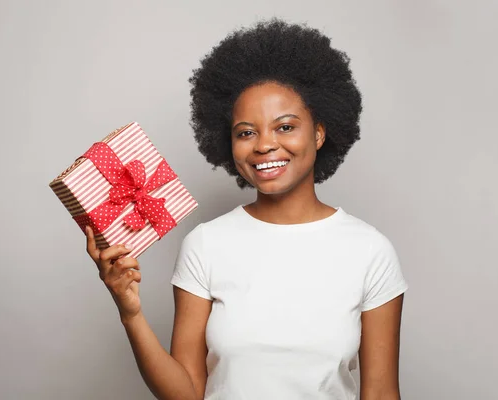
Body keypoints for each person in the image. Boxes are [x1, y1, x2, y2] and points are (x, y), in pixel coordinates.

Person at [84, 18, 408, 400]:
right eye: (246, 132)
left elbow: (382, 393)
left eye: (285, 127)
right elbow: (186, 394)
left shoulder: (370, 251)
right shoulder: (205, 245)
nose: (264, 145)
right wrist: (131, 314)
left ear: (319, 133)